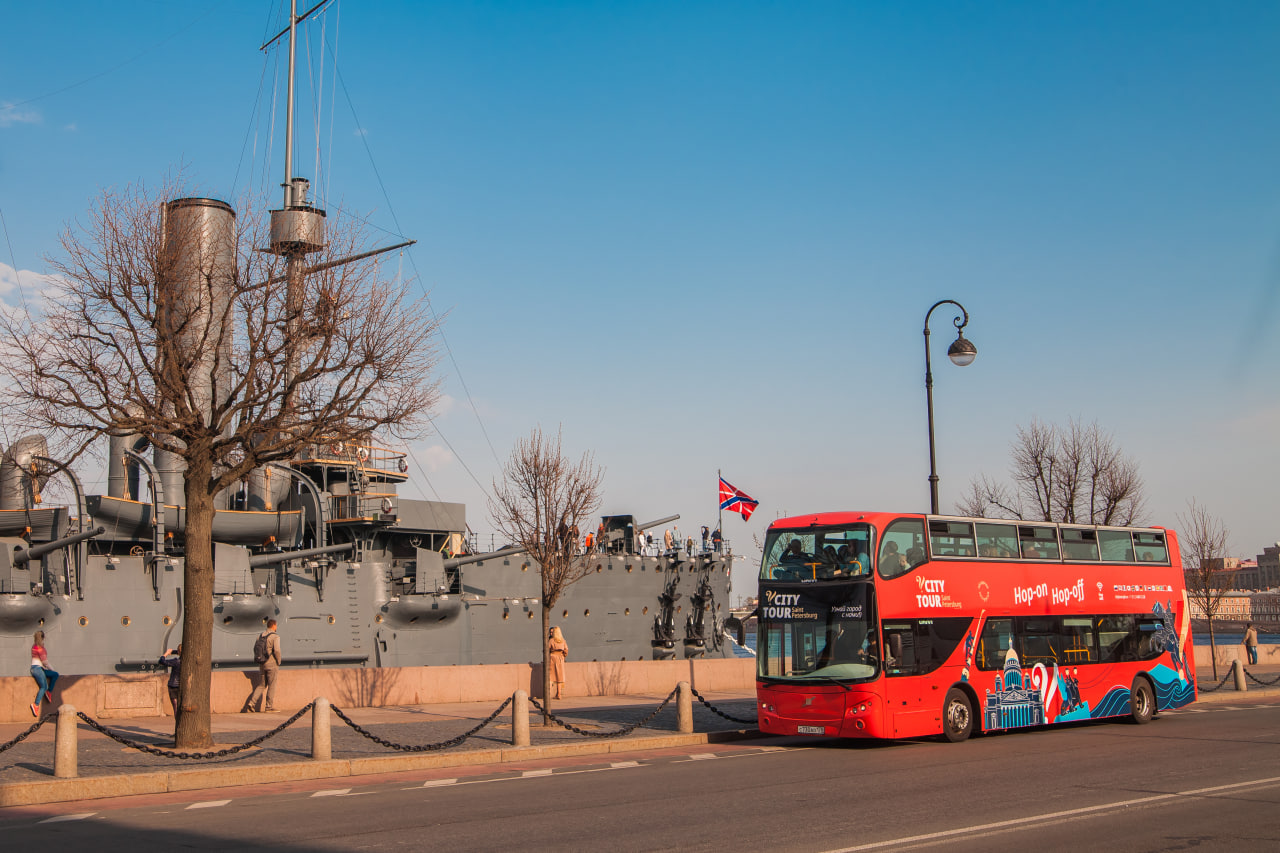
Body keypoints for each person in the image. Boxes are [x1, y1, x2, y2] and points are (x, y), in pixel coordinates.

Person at [244, 618, 282, 713]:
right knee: (272, 685)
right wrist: (279, 661)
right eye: (276, 625)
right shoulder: (275, 636)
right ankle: (269, 707)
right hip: (272, 664)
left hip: (262, 664)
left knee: (261, 685)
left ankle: (251, 703)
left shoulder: (260, 636)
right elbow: (277, 650)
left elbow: (255, 649)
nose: (276, 627)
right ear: (273, 625)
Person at [29, 630, 58, 718]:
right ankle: (36, 704)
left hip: (37, 669)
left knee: (55, 675)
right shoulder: (40, 649)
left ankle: (49, 692)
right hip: (37, 669)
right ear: (43, 638)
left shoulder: (34, 646)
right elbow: (45, 662)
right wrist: (52, 669)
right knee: (44, 686)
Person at [159, 644, 183, 717]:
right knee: (181, 706)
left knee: (175, 707)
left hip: (173, 685)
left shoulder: (176, 662)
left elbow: (162, 661)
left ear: (178, 652)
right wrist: (176, 651)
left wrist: (166, 653)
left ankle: (177, 723)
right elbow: (182, 652)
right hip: (182, 686)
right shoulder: (188, 661)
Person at [548, 626, 569, 699]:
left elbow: (547, 649)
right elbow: (566, 650)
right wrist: (563, 656)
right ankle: (559, 694)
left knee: (550, 677)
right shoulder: (563, 640)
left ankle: (548, 694)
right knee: (559, 678)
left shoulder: (551, 640)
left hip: (552, 658)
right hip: (560, 659)